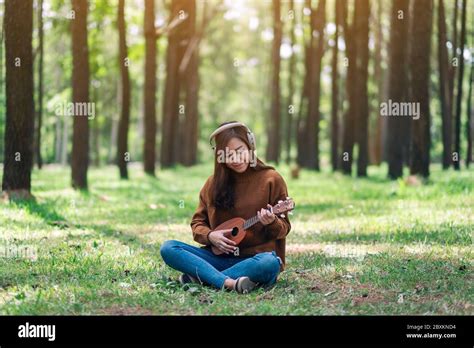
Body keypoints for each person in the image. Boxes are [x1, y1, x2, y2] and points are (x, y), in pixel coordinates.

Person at [160, 121, 291, 293]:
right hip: (217, 257)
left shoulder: (271, 179)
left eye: (240, 151)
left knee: (270, 263)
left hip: (255, 260)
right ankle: (229, 283)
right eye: (228, 155)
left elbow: (284, 228)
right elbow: (197, 223)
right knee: (169, 248)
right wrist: (210, 235)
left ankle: (203, 278)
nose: (235, 160)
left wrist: (271, 222)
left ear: (251, 146)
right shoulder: (212, 184)